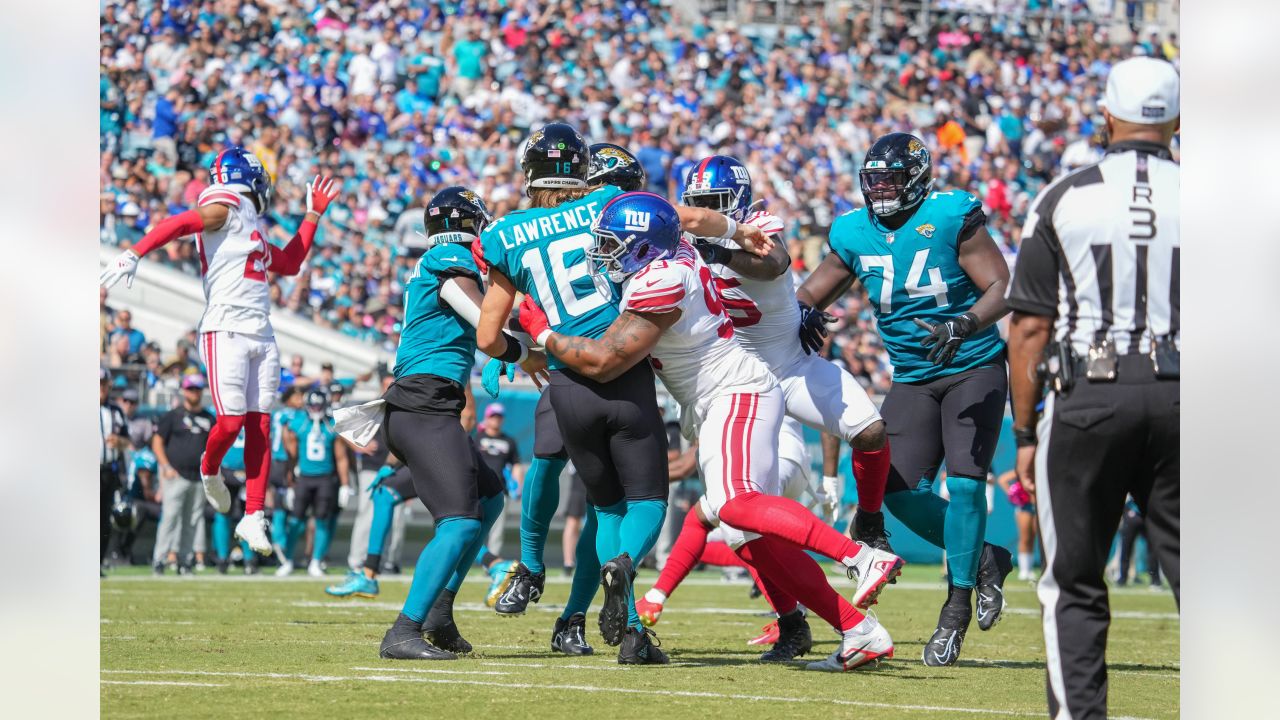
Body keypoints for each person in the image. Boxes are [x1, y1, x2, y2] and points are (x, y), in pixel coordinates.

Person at [519, 191, 901, 672]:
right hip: (717, 399)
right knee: (751, 538)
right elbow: (686, 216)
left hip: (736, 392)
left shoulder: (662, 278)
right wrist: (735, 230)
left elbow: (603, 361)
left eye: (615, 244)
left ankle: (860, 556)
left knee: (733, 504)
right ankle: (858, 630)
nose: (603, 252)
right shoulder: (673, 247)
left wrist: (543, 334)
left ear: (643, 248)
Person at [474, 122, 772, 665]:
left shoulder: (504, 233)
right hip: (624, 373)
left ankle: (607, 617)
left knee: (604, 508)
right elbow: (687, 218)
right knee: (648, 502)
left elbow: (489, 337)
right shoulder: (608, 201)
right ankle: (629, 613)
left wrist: (533, 355)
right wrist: (739, 229)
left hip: (566, 383)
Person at [632, 155, 896, 662]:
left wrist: (718, 247)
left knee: (869, 431)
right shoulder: (676, 250)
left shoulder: (755, 230)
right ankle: (822, 622)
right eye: (698, 202)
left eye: (714, 204)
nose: (703, 210)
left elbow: (772, 263)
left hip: (785, 369)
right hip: (734, 382)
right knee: (745, 527)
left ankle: (866, 532)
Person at [796, 132, 1015, 666]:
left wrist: (964, 322)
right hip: (914, 377)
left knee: (964, 485)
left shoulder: (949, 215)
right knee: (894, 491)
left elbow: (1002, 286)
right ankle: (987, 557)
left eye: (892, 179)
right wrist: (801, 312)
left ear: (917, 178)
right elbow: (810, 290)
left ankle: (956, 607)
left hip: (972, 365)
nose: (883, 190)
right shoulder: (854, 230)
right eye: (875, 181)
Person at [1006, 57, 1180, 720]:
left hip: (1089, 397)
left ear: (1106, 116)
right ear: (1177, 122)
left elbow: (1027, 328)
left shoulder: (1063, 197)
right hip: (1190, 395)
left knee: (1073, 583)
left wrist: (1024, 432)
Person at [100, 147, 340, 556]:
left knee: (260, 425)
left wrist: (313, 216)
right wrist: (135, 251)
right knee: (230, 424)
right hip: (225, 327)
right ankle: (209, 467)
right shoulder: (225, 205)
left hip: (261, 332)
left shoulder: (249, 222)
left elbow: (292, 262)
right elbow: (182, 222)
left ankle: (253, 515)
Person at [483, 141, 646, 657]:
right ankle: (532, 565)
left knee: (596, 500)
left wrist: (514, 350)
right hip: (591, 363)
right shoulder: (604, 210)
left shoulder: (511, 230)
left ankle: (571, 614)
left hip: (565, 362)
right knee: (560, 470)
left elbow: (500, 319)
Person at [279, 390, 351, 577]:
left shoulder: (330, 425)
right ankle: (287, 560)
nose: (316, 409)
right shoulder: (300, 423)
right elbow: (291, 454)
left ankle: (316, 561)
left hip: (325, 479)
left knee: (322, 521)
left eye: (320, 406)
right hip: (304, 478)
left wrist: (345, 485)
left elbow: (341, 458)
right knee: (295, 521)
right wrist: (290, 483)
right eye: (314, 406)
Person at [150, 374, 215, 574]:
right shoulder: (173, 415)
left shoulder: (208, 418)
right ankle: (160, 560)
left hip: (198, 477)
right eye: (190, 388)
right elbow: (157, 442)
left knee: (193, 520)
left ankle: (186, 561)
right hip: (176, 475)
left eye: (197, 388)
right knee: (170, 517)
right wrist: (166, 467)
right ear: (184, 390)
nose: (193, 392)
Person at [474, 404, 524, 556]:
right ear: (487, 417)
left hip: (500, 491)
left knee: (497, 530)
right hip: (477, 490)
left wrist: (518, 486)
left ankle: (491, 563)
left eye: (499, 416)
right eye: (493, 416)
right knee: (473, 526)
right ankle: (470, 559)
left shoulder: (509, 441)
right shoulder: (477, 438)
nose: (496, 419)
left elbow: (516, 465)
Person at [99, 369, 129, 571]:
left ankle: (97, 564)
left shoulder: (116, 411)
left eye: (103, 383)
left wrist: (120, 441)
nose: (101, 387)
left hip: (108, 470)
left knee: (103, 520)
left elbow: (127, 441)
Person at [996, 469, 1039, 581]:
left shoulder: (1042, 467)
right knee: (1025, 537)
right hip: (1025, 506)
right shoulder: (1024, 469)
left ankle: (1031, 569)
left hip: (1040, 504)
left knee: (1035, 538)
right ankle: (1024, 570)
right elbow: (1002, 479)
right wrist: (1014, 494)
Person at [1115, 496, 1161, 589]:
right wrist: (1126, 512)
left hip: (1146, 516)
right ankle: (1123, 579)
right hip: (1134, 516)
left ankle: (1155, 580)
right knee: (1126, 549)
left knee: (1152, 550)